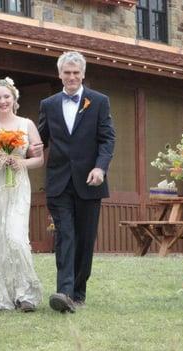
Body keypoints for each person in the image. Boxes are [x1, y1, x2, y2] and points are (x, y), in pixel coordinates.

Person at [38, 51, 115, 313]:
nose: (71, 77)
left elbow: (107, 139)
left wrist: (100, 168)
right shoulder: (48, 104)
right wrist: (12, 148)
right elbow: (40, 140)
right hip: (58, 183)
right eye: (66, 72)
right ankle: (64, 293)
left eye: (75, 72)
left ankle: (79, 292)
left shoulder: (99, 101)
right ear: (59, 74)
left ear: (83, 74)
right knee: (65, 236)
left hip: (90, 181)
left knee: (84, 239)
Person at [0, 77, 44, 312]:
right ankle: (3, 298)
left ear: (14, 98)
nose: (3, 101)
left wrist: (20, 163)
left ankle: (27, 294)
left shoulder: (26, 124)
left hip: (18, 185)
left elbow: (38, 158)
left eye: (6, 96)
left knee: (16, 237)